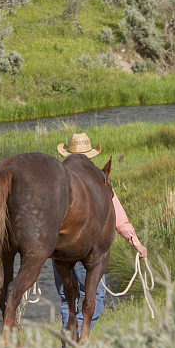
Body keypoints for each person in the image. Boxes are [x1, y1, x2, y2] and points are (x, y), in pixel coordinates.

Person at [53, 132, 148, 332]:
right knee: (96, 298)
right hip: (88, 248)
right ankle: (77, 341)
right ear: (90, 155)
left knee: (66, 299)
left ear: (69, 153)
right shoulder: (97, 178)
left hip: (59, 250)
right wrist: (135, 242)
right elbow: (119, 216)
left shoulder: (57, 181)